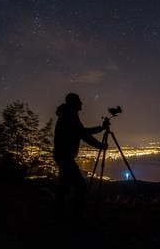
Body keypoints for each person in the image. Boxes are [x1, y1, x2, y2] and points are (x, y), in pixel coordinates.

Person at [53, 92, 108, 223]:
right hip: (65, 157)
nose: (81, 104)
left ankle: (59, 216)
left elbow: (81, 131)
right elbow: (83, 134)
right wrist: (100, 145)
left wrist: (100, 129)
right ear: (73, 103)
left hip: (62, 156)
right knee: (80, 187)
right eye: (79, 101)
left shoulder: (69, 115)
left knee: (64, 187)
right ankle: (77, 219)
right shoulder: (69, 116)